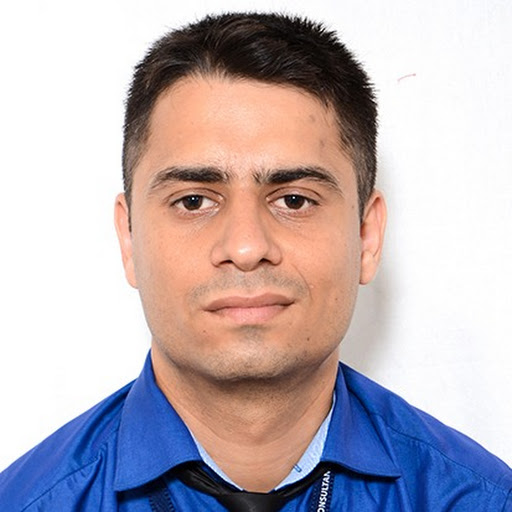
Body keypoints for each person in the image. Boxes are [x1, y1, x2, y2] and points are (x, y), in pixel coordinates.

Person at [0, 11, 510, 512]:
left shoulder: (480, 500)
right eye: (194, 201)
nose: (245, 248)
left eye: (294, 200)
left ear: (366, 236)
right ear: (129, 237)